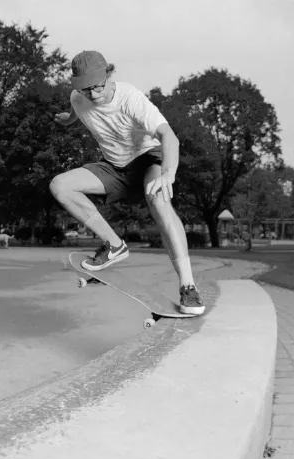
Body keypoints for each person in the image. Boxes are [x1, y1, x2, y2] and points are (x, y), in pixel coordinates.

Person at [50, 50, 205, 315]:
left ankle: (188, 286)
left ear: (109, 75)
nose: (94, 95)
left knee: (159, 201)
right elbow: (76, 110)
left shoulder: (131, 98)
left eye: (98, 87)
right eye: (86, 90)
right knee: (60, 186)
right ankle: (114, 245)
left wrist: (168, 173)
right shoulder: (79, 97)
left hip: (148, 161)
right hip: (114, 168)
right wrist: (67, 120)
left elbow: (169, 136)